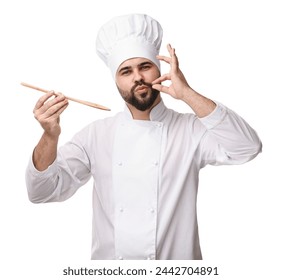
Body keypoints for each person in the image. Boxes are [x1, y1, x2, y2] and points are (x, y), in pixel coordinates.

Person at [25, 14, 262, 260]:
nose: (137, 77)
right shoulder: (95, 135)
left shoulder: (190, 130)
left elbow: (247, 147)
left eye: (145, 67)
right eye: (126, 71)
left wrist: (188, 94)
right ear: (116, 81)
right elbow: (42, 192)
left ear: (159, 69)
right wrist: (50, 136)